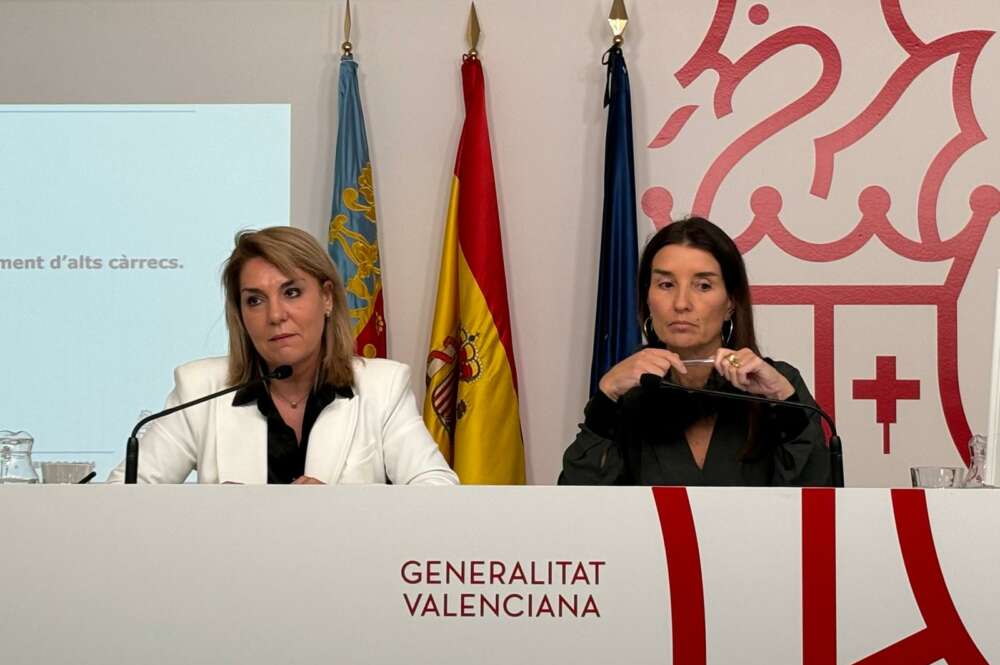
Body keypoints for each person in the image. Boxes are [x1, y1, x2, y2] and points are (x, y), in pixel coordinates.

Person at [107, 227, 458, 485]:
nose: (275, 315)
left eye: (291, 292)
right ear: (241, 314)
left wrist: (348, 510)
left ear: (326, 298)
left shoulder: (382, 388)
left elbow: (437, 495)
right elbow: (124, 500)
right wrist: (207, 514)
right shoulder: (199, 389)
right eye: (255, 300)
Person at [560, 217, 831, 486]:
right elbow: (576, 512)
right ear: (647, 299)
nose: (681, 303)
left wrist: (782, 398)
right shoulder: (626, 393)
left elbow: (820, 503)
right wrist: (605, 397)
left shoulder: (777, 385)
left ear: (730, 303)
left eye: (703, 286)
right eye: (666, 285)